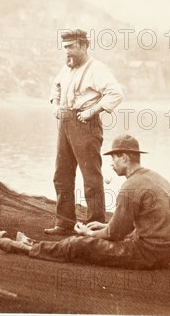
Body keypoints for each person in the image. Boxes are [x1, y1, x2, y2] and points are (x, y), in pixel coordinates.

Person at [0, 135, 170, 270]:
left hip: (148, 254)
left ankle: (29, 248)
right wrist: (104, 225)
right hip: (166, 252)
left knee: (79, 244)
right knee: (91, 237)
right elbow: (138, 222)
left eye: (114, 158)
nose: (111, 163)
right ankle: (35, 244)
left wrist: (89, 232)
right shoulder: (156, 177)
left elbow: (115, 234)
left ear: (125, 157)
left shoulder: (130, 187)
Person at [46, 29, 124, 236]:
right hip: (65, 123)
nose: (67, 52)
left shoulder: (98, 69)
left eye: (71, 47)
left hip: (85, 124)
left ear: (83, 45)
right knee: (61, 175)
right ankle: (64, 223)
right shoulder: (67, 67)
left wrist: (92, 111)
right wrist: (55, 107)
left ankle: (95, 224)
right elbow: (55, 89)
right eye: (65, 48)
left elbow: (116, 94)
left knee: (91, 177)